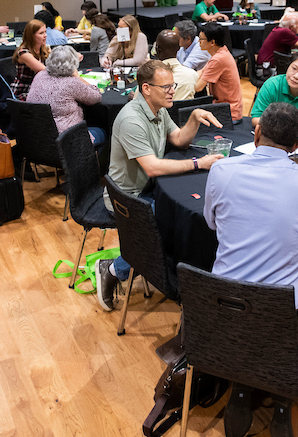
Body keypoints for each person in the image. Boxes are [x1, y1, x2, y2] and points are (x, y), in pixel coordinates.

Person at [203, 102, 298, 437]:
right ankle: (287, 392)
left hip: (224, 312)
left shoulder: (221, 173)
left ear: (256, 134)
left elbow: (211, 223)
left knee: (253, 319)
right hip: (284, 320)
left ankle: (240, 387)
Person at [94, 61, 225, 309]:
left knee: (182, 220)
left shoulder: (158, 109)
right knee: (163, 227)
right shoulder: (132, 120)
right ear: (146, 88)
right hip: (126, 197)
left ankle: (176, 277)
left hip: (148, 188)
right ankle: (112, 269)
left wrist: (194, 118)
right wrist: (199, 164)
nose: (171, 91)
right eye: (165, 87)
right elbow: (153, 167)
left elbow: (178, 139)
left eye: (172, 85)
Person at [26, 46, 105, 146]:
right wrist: (77, 76)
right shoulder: (71, 83)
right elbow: (96, 97)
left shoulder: (40, 75)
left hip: (36, 136)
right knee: (103, 131)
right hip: (66, 141)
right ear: (73, 64)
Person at [195, 22, 244, 122]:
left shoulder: (218, 59)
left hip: (228, 112)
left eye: (201, 39)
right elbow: (201, 72)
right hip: (224, 107)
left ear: (212, 42)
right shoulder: (222, 51)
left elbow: (197, 87)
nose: (198, 41)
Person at [12, 19, 50, 100]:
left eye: (45, 32)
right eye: (41, 33)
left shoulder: (44, 49)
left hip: (38, 90)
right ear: (31, 36)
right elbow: (45, 71)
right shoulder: (24, 53)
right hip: (24, 92)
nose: (45, 35)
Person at [154, 30, 197, 100]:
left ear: (157, 50)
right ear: (179, 48)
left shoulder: (149, 76)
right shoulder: (193, 75)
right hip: (186, 110)